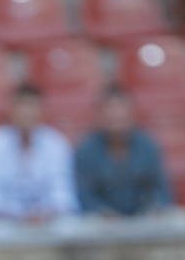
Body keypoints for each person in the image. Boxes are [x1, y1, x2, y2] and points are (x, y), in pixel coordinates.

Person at [0, 85, 78, 223]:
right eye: (22, 106)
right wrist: (18, 217)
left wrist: (45, 214)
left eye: (32, 106)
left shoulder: (56, 145)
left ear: (42, 110)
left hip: (48, 223)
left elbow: (64, 196)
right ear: (10, 110)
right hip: (3, 225)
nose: (27, 113)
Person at [73, 88, 173, 217]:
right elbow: (84, 195)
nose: (116, 115)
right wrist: (103, 213)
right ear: (99, 115)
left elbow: (161, 190)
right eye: (110, 109)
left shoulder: (148, 146)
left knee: (180, 219)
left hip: (145, 217)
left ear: (131, 114)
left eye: (120, 108)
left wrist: (153, 210)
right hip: (101, 221)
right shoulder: (85, 150)